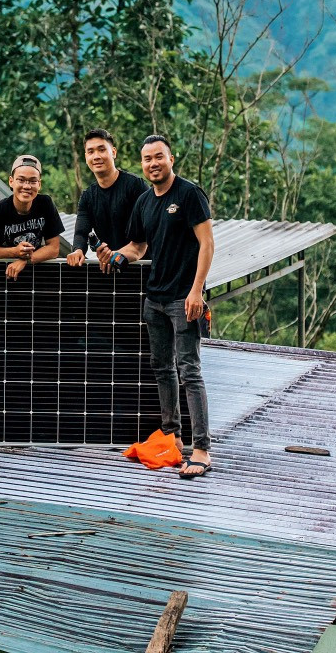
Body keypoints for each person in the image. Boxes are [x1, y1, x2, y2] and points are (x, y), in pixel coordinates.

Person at [97, 134, 215, 480]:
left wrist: (197, 291)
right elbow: (137, 246)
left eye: (158, 157)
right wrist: (118, 256)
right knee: (162, 369)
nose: (152, 164)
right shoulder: (145, 202)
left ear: (171, 159)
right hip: (155, 298)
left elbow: (206, 244)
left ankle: (202, 449)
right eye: (147, 159)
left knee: (189, 370)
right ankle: (172, 437)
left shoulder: (189, 194)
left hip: (184, 298)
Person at [65, 128, 147, 267]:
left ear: (113, 152)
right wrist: (78, 250)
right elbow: (81, 232)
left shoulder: (135, 186)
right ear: (86, 157)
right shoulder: (87, 196)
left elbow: (151, 228)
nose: (96, 156)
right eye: (91, 152)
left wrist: (118, 255)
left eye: (101, 149)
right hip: (109, 269)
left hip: (143, 267)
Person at [0, 154, 63, 279]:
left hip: (34, 273)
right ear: (11, 181)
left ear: (39, 185)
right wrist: (15, 251)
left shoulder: (45, 204)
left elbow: (54, 248)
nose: (27, 186)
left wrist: (24, 260)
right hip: (2, 273)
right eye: (21, 180)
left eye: (33, 181)